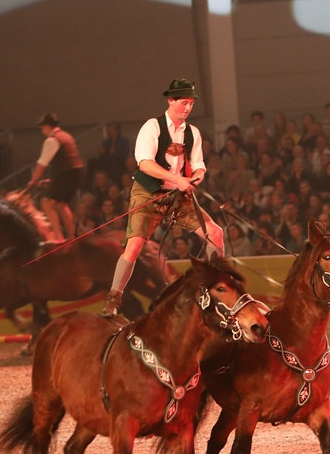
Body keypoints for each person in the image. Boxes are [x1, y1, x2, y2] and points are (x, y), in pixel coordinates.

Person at [101, 78, 224, 317]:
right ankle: (114, 298)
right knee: (135, 245)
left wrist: (196, 177)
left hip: (177, 195)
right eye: (184, 103)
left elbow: (199, 165)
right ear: (171, 101)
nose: (188, 108)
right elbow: (144, 163)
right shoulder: (152, 127)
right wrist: (177, 179)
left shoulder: (193, 133)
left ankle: (215, 288)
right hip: (148, 192)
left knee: (215, 233)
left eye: (191, 104)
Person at [28, 113, 85, 238]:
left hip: (67, 173)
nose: (42, 130)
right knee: (61, 204)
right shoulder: (66, 136)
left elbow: (42, 164)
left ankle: (58, 238)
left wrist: (33, 181)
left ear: (47, 126)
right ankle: (72, 237)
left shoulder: (52, 140)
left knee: (46, 203)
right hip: (76, 172)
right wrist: (53, 180)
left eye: (42, 127)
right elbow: (64, 159)